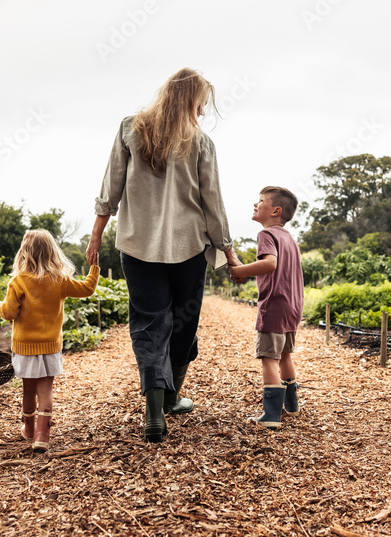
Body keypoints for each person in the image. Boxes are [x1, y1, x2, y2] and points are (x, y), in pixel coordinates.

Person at [86, 68, 241, 443]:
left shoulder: (130, 128)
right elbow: (212, 203)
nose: (202, 113)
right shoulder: (201, 144)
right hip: (188, 249)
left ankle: (154, 413)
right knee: (183, 324)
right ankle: (170, 399)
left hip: (137, 249)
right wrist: (228, 251)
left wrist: (96, 236)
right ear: (189, 100)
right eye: (201, 104)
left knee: (149, 324)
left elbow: (111, 188)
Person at [0, 229, 100, 453]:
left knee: (28, 391)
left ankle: (29, 429)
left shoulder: (18, 282)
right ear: (53, 252)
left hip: (24, 347)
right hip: (50, 347)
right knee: (46, 392)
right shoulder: (60, 280)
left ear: (24, 253)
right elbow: (88, 288)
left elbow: (9, 312)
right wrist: (94, 267)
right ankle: (42, 435)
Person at [228, 186, 304, 429]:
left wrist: (238, 271)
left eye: (260, 201)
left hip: (274, 304)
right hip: (293, 306)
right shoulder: (290, 238)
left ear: (275, 211)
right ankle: (291, 406)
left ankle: (271, 416)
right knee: (285, 355)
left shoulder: (266, 235)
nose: (255, 204)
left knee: (268, 358)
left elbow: (270, 264)